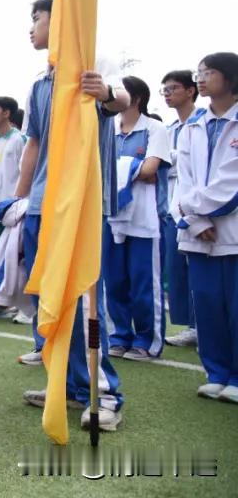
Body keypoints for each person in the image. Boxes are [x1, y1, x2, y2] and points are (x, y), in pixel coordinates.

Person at [14, 0, 128, 431]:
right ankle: (64, 381)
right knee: (48, 297)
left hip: (79, 207)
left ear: (59, 21)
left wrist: (105, 94)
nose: (31, 26)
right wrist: (21, 199)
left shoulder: (87, 74)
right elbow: (34, 144)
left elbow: (116, 99)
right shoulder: (40, 84)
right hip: (43, 206)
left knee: (84, 299)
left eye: (37, 17)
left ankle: (106, 393)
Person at [174, 52, 238, 403]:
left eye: (209, 72)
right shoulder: (193, 125)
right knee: (208, 306)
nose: (201, 78)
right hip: (198, 233)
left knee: (235, 308)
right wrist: (195, 221)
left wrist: (197, 212)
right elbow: (182, 179)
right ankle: (217, 372)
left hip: (232, 231)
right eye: (199, 72)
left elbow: (231, 183)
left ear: (230, 77)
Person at [104, 76, 169, 361]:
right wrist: (134, 168)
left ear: (137, 98)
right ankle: (120, 335)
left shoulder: (155, 128)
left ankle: (147, 340)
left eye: (121, 92)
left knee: (144, 281)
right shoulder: (108, 129)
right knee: (114, 281)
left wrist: (123, 169)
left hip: (144, 219)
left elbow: (151, 169)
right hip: (110, 216)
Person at [161, 70, 206, 347]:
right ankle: (191, 324)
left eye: (173, 88)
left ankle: (204, 325)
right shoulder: (169, 130)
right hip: (172, 207)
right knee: (177, 270)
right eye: (163, 89)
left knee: (200, 271)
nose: (167, 94)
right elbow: (163, 163)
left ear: (190, 91)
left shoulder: (203, 122)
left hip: (199, 207)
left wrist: (170, 160)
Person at [0, 97, 27, 315]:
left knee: (17, 257)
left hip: (15, 208)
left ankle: (20, 303)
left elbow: (26, 172)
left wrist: (21, 201)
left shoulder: (20, 139)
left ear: (7, 113)